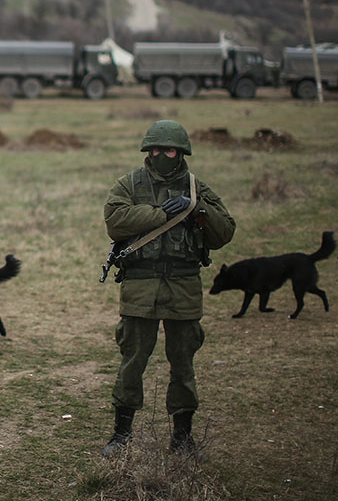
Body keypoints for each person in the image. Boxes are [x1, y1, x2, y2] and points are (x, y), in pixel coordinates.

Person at [100, 120, 234, 458]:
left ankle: (183, 438)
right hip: (140, 286)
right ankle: (121, 435)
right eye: (155, 149)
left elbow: (225, 232)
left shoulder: (196, 188)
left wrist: (197, 210)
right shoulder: (129, 184)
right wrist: (160, 214)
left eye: (168, 150)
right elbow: (115, 221)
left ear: (181, 153)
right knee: (132, 360)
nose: (161, 155)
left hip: (183, 286)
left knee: (183, 363)